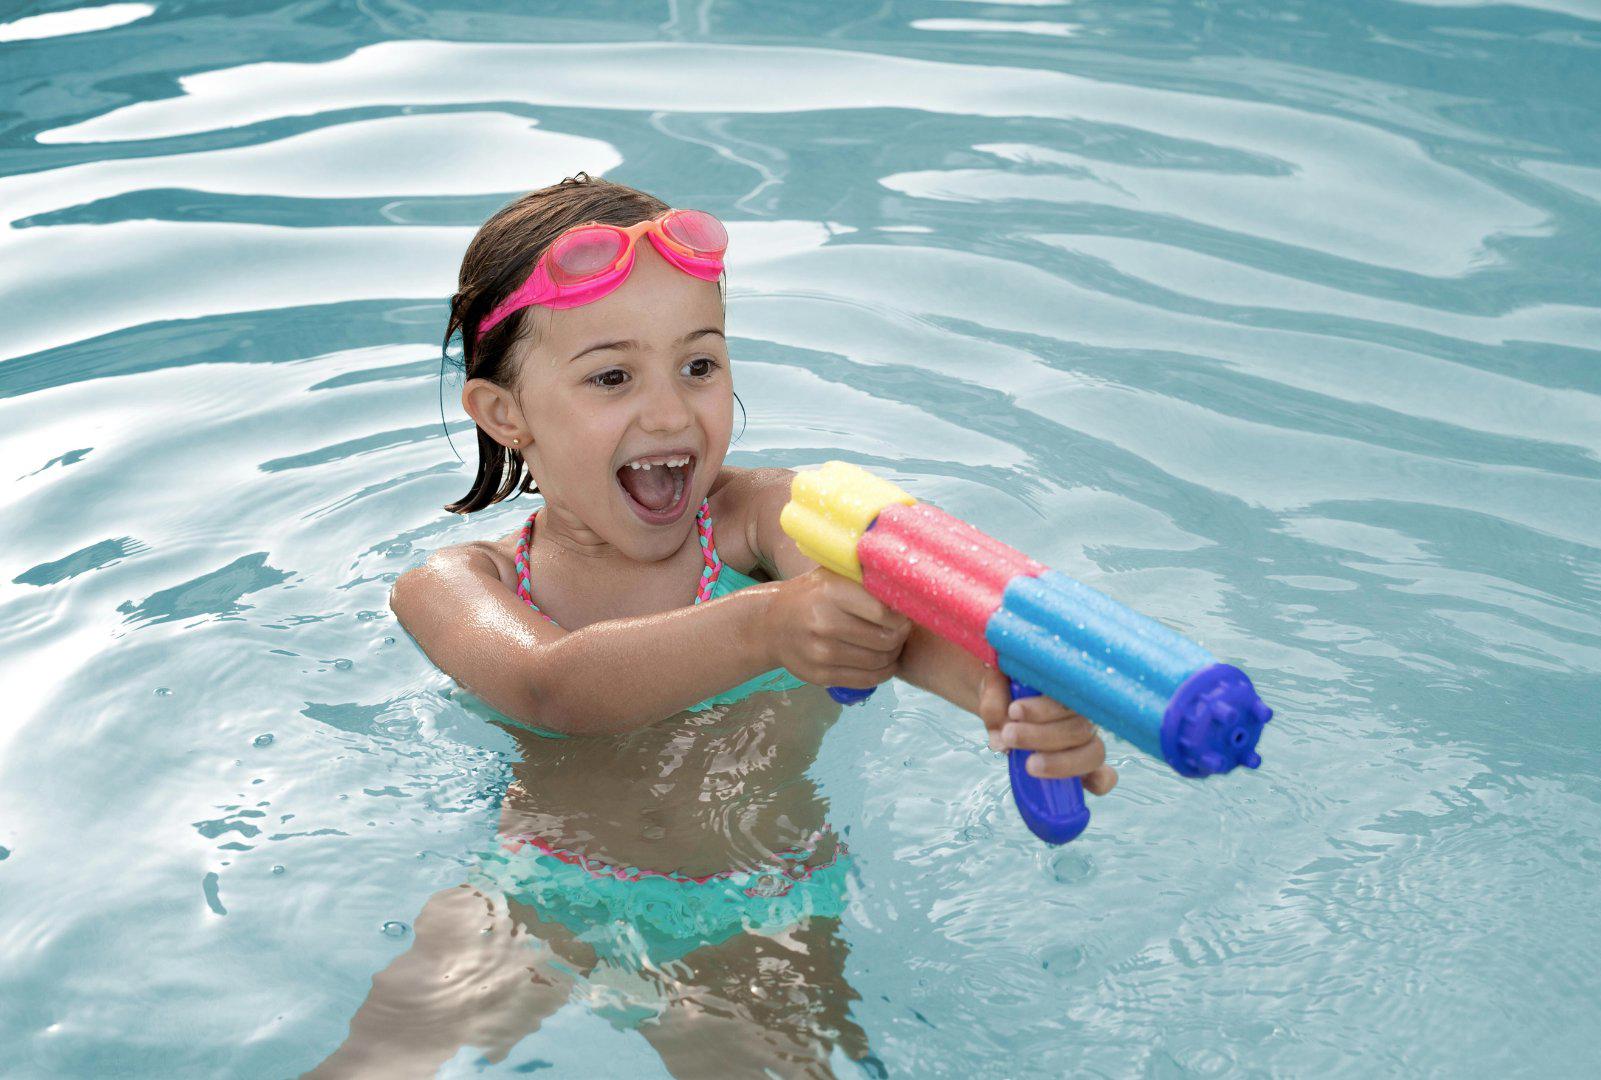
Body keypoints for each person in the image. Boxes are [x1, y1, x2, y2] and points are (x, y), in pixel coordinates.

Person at [312, 174, 1117, 1078]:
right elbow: (552, 687)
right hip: (537, 890)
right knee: (372, 1067)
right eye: (612, 376)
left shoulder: (764, 525)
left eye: (699, 365)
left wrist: (999, 697)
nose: (670, 412)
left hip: (757, 906)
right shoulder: (458, 583)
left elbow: (883, 624)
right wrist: (768, 629)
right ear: (507, 415)